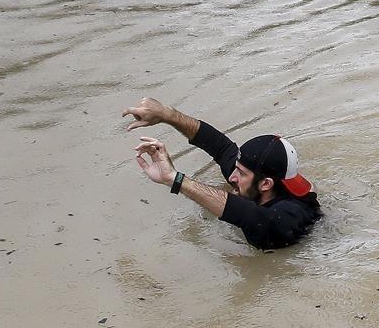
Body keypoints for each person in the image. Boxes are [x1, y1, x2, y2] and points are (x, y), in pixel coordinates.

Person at [123, 97, 322, 249]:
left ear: (266, 184)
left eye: (241, 173)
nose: (232, 177)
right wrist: (167, 115)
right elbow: (220, 147)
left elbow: (250, 215)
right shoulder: (252, 180)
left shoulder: (291, 215)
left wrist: (174, 179)